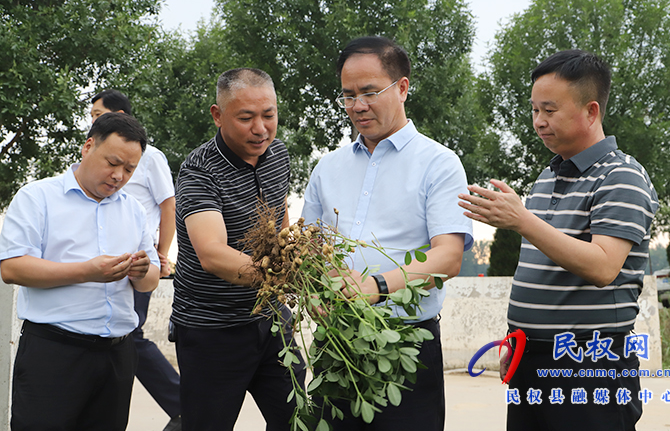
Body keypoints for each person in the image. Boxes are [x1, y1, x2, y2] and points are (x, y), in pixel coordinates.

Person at [458, 49, 658, 431]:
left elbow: (603, 266)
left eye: (550, 110)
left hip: (589, 362)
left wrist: (522, 220)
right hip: (530, 359)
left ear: (591, 111)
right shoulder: (546, 179)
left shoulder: (620, 176)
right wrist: (519, 337)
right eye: (534, 110)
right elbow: (541, 273)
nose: (539, 121)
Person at [301, 36, 474, 430]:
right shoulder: (327, 168)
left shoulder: (439, 164)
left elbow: (447, 258)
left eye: (369, 92)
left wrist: (375, 286)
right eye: (347, 95)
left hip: (406, 346)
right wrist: (315, 290)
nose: (357, 106)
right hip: (338, 346)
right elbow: (310, 249)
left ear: (402, 88)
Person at [0, 113, 161, 430]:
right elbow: (12, 268)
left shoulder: (133, 209)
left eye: (129, 169)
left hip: (117, 356)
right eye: (112, 162)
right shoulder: (38, 198)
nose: (118, 176)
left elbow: (149, 281)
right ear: (88, 147)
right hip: (54, 353)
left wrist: (141, 271)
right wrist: (87, 272)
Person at [171, 68, 305, 430]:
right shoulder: (199, 171)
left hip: (274, 323)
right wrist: (284, 279)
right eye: (246, 118)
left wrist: (296, 254)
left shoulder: (277, 155)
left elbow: (280, 220)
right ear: (218, 115)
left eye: (269, 115)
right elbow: (212, 253)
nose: (260, 129)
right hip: (212, 330)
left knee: (298, 420)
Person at [91, 89, 181, 431]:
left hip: (138, 261)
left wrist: (161, 254)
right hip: (104, 261)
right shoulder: (94, 157)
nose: (93, 120)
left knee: (131, 333)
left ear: (120, 116)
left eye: (98, 114)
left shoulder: (151, 157)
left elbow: (168, 204)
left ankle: (184, 403)